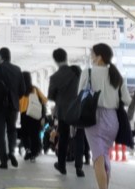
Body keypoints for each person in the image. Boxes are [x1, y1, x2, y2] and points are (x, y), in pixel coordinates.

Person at [80, 43, 131, 189]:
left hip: (92, 118)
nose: (91, 57)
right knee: (105, 157)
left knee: (98, 159)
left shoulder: (87, 73)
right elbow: (127, 100)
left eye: (92, 54)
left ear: (99, 57)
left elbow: (80, 95)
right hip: (112, 119)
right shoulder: (116, 75)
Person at [48, 48, 85, 177]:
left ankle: (62, 166)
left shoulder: (54, 77)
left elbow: (51, 96)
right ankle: (79, 167)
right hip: (78, 110)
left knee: (63, 138)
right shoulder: (76, 72)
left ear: (55, 60)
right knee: (79, 138)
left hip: (63, 112)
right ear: (66, 57)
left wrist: (60, 98)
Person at [0, 47, 25, 170]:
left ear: (0, 57)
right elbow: (23, 90)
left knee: (0, 133)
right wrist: (14, 97)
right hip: (13, 105)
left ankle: (3, 161)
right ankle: (12, 152)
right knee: (12, 130)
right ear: (10, 56)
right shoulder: (17, 70)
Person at [19, 71, 48, 162]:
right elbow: (44, 100)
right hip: (35, 115)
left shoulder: (19, 90)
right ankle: (34, 154)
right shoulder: (34, 89)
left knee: (25, 134)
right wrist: (43, 116)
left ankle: (28, 150)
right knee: (35, 135)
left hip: (24, 115)